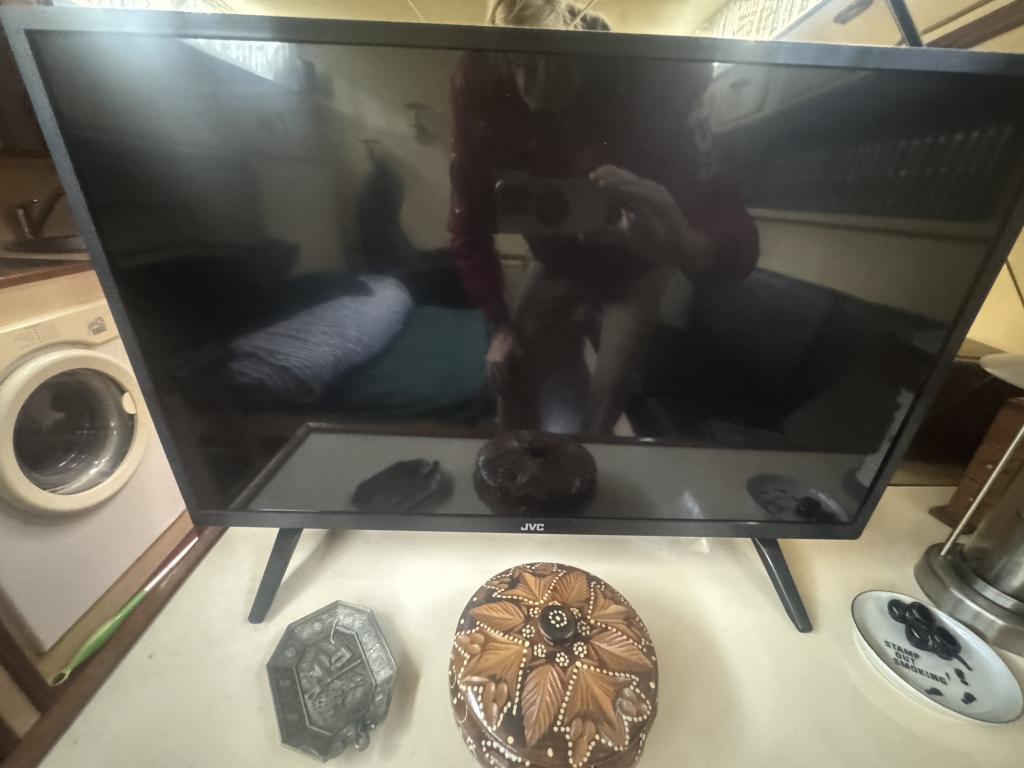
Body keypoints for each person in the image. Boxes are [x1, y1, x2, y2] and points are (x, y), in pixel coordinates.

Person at [448, 0, 759, 435]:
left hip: (638, 264)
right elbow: (467, 221)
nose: (535, 91)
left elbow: (725, 214)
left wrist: (686, 245)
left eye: (558, 67)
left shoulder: (650, 77)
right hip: (557, 261)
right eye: (523, 65)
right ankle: (512, 460)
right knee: (511, 373)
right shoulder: (478, 80)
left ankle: (587, 459)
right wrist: (498, 325)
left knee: (609, 392)